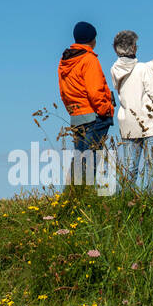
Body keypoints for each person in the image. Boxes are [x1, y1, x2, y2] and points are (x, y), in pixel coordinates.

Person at [110, 30, 153, 190]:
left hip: (128, 125)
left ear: (116, 49)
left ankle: (124, 202)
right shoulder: (142, 70)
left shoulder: (115, 70)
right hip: (150, 125)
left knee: (130, 168)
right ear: (134, 48)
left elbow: (134, 71)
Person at [57, 21, 115, 185]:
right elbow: (95, 90)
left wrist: (73, 111)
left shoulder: (64, 62)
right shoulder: (89, 59)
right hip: (93, 116)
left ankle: (73, 197)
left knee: (79, 159)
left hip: (77, 116)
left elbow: (63, 92)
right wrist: (106, 110)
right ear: (92, 39)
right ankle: (86, 198)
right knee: (90, 161)